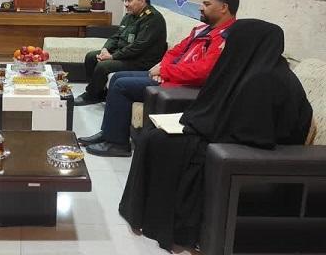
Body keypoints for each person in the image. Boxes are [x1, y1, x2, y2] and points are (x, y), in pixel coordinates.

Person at [119, 19, 312, 251]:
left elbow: (254, 134)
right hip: (231, 138)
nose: (222, 46)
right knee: (154, 136)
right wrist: (196, 122)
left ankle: (169, 225)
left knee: (160, 142)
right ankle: (145, 214)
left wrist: (198, 127)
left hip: (249, 153)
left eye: (228, 42)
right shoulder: (252, 68)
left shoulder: (267, 80)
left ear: (247, 43)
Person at [79, 0, 239, 156]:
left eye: (206, 4)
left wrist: (165, 71)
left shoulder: (227, 37)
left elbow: (204, 72)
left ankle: (117, 144)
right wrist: (163, 69)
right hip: (170, 76)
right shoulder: (202, 30)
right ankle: (108, 133)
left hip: (183, 86)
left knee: (121, 86)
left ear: (224, 7)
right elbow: (174, 51)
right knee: (117, 77)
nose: (201, 7)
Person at [74, 0, 167, 106]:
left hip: (141, 60)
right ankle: (99, 92)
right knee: (91, 56)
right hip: (126, 54)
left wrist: (112, 57)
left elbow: (138, 47)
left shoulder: (153, 19)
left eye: (129, 1)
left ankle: (91, 96)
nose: (126, 4)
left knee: (103, 66)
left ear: (142, 1)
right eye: (125, 0)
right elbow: (116, 36)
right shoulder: (130, 16)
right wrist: (105, 49)